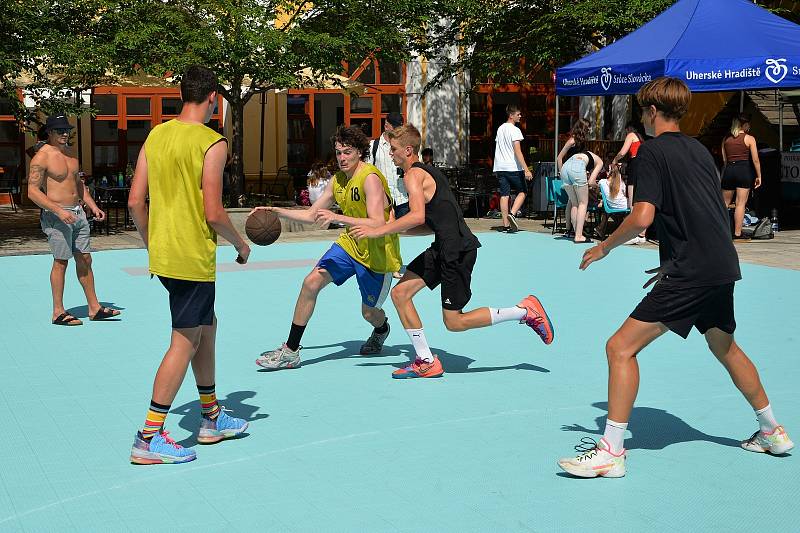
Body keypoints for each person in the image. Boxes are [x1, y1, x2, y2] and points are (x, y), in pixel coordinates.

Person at [559, 77, 793, 479]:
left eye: (641, 112)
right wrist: (674, 261)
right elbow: (705, 210)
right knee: (725, 347)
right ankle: (772, 430)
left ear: (651, 112)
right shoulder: (700, 150)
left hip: (693, 270)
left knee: (619, 348)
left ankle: (611, 451)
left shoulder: (649, 153)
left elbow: (643, 217)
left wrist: (603, 247)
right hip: (719, 264)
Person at [350, 124, 554, 379]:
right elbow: (430, 223)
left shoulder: (413, 175)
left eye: (393, 149)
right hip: (443, 247)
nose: (390, 154)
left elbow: (416, 215)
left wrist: (380, 230)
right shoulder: (428, 172)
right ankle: (425, 360)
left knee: (454, 322)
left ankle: (524, 311)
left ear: (408, 150)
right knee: (400, 293)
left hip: (457, 251)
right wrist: (393, 230)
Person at [127, 65, 251, 465]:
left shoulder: (157, 134)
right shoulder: (212, 143)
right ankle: (148, 436)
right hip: (192, 258)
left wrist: (153, 245)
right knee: (184, 341)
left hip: (165, 256)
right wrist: (240, 243)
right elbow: (214, 211)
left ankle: (212, 417)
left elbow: (134, 202)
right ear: (213, 97)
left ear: (183, 94)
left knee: (206, 327)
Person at [253, 125, 402, 369]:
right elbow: (312, 214)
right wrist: (275, 212)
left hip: (377, 252)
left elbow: (378, 222)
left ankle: (382, 328)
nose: (342, 158)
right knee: (311, 282)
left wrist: (338, 218)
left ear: (360, 152)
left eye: (347, 152)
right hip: (350, 244)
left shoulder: (370, 178)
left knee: (369, 313)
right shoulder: (338, 180)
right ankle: (291, 350)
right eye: (338, 152)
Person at [27, 114, 118, 326]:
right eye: (59, 131)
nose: (65, 134)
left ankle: (94, 308)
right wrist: (58, 210)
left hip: (77, 213)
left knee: (85, 259)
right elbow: (32, 192)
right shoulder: (42, 157)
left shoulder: (71, 155)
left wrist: (92, 205)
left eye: (66, 130)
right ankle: (58, 312)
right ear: (49, 133)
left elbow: (78, 185)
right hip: (56, 216)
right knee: (61, 261)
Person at [556, 119, 603, 243]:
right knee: (582, 203)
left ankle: (574, 231)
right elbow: (559, 157)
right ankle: (577, 234)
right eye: (588, 128)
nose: (589, 130)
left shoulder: (581, 142)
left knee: (575, 203)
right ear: (583, 128)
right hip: (574, 169)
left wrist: (563, 175)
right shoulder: (573, 140)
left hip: (568, 169)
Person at [492, 105, 533, 232]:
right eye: (518, 114)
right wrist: (526, 169)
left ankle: (505, 224)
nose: (520, 116)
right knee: (523, 191)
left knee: (504, 195)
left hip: (500, 167)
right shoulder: (515, 130)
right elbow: (517, 151)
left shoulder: (500, 129)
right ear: (511, 115)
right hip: (513, 167)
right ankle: (513, 213)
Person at [721, 113, 762, 239]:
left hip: (729, 170)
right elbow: (755, 160)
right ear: (744, 124)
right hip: (743, 171)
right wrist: (759, 175)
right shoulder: (749, 139)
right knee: (740, 204)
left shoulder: (726, 139)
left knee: (723, 203)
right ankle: (737, 233)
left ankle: (720, 232)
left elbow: (724, 160)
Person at [369, 112, 408, 218]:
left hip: (403, 199)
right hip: (382, 200)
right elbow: (367, 173)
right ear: (386, 126)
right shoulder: (373, 146)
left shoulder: (405, 145)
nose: (398, 130)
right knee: (383, 233)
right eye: (395, 127)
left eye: (400, 127)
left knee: (404, 234)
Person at [611, 122, 644, 209]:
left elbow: (622, 153)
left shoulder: (631, 135)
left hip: (635, 164)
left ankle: (632, 215)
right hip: (643, 165)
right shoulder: (641, 138)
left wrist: (615, 159)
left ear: (629, 128)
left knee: (631, 193)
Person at [595, 165, 630, 239]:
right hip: (624, 206)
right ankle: (626, 231)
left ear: (608, 173)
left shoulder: (602, 182)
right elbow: (625, 194)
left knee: (605, 208)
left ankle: (601, 228)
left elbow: (597, 192)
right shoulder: (621, 183)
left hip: (610, 206)